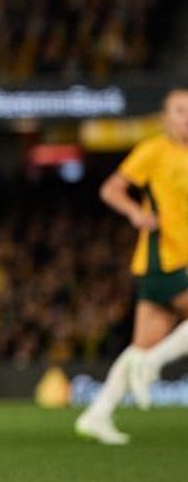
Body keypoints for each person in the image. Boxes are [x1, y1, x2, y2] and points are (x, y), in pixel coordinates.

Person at [76, 88, 188, 444]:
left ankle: (97, 414)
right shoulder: (154, 151)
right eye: (180, 111)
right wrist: (136, 213)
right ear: (165, 117)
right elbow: (111, 189)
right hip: (165, 259)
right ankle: (153, 365)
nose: (186, 118)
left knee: (140, 347)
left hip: (175, 260)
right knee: (147, 355)